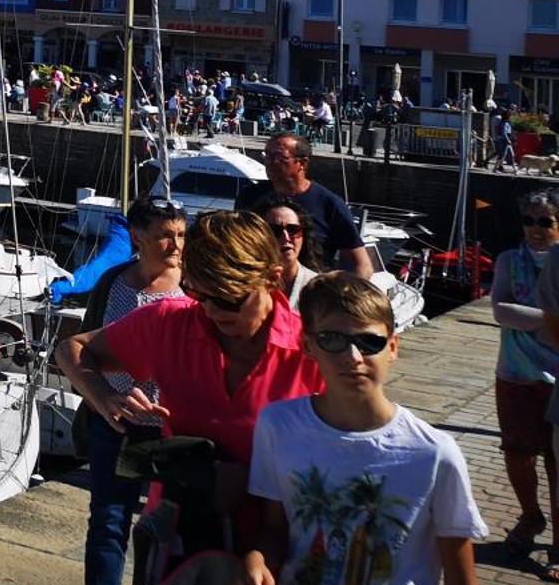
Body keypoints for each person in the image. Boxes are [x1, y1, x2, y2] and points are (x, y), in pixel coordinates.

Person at [235, 275, 485, 585]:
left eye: (369, 342)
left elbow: (460, 579)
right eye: (333, 339)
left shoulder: (434, 452)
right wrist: (255, 560)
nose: (352, 356)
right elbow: (274, 528)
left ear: (394, 347)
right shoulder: (278, 427)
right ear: (308, 346)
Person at [58, 210, 324, 545]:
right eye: (200, 294)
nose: (212, 310)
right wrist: (103, 397)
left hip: (275, 549)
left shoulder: (313, 352)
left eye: (228, 299)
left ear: (272, 279)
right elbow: (73, 349)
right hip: (175, 543)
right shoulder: (173, 322)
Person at [56, 198, 189, 585]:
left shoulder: (193, 287)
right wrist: (102, 400)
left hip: (172, 431)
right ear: (137, 237)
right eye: (164, 236)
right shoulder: (114, 284)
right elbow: (81, 351)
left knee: (168, 531)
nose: (174, 245)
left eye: (180, 235)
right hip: (113, 424)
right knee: (108, 523)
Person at [492, 191, 559, 581]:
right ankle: (530, 517)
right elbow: (500, 309)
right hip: (515, 374)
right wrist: (549, 319)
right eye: (530, 221)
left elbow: (513, 313)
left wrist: (526, 317)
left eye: (545, 221)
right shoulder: (508, 261)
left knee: (556, 463)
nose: (535, 230)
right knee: (517, 454)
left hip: (557, 379)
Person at [235, 132, 371, 278]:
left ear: (302, 163)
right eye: (267, 155)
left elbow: (362, 265)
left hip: (308, 291)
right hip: (260, 288)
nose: (270, 162)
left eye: (279, 157)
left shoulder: (329, 203)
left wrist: (341, 295)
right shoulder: (249, 196)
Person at [255, 192, 325, 308]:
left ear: (304, 236)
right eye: (275, 230)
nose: (286, 238)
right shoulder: (247, 286)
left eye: (293, 229)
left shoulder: (320, 288)